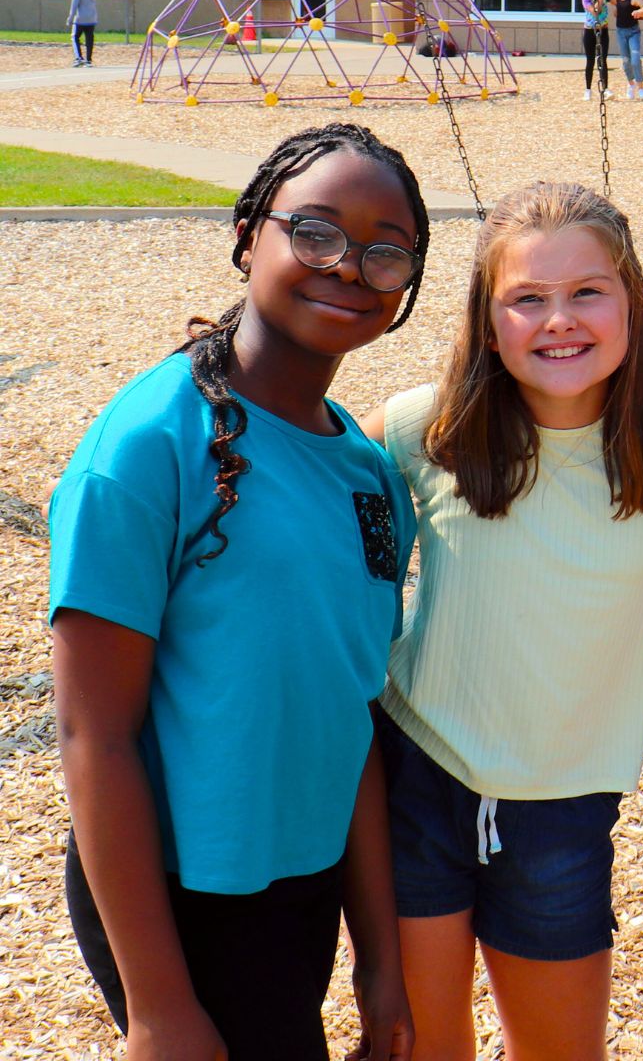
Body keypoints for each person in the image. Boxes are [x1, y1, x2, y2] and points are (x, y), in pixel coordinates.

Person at [50, 123, 431, 1060]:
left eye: (386, 252)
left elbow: (350, 717)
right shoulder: (147, 447)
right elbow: (94, 736)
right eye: (315, 232)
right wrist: (157, 1006)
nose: (348, 267)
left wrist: (380, 963)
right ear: (249, 234)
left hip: (299, 889)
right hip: (176, 901)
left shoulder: (369, 474)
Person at [365, 181, 643, 1061]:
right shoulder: (425, 427)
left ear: (631, 302)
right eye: (526, 298)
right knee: (421, 1046)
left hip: (563, 803)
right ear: (488, 324)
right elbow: (309, 495)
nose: (559, 320)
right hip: (419, 771)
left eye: (587, 291)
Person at [581, 0, 613, 101]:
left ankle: (605, 88)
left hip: (603, 30)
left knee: (603, 60)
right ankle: (588, 89)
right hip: (590, 31)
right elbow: (595, 11)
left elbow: (617, 1)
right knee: (590, 60)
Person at [67, 0, 98, 67]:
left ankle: (79, 58)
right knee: (89, 39)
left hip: (80, 19)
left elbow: (74, 6)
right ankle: (88, 60)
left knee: (75, 37)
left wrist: (70, 18)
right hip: (91, 18)